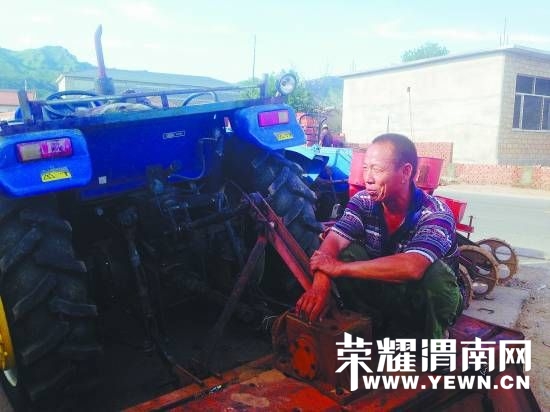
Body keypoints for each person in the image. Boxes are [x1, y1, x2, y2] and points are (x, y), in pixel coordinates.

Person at [296, 133, 463, 339]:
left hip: (425, 297)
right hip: (387, 287)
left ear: (406, 172)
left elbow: (412, 267)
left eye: (377, 169)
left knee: (434, 274)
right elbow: (334, 241)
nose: (368, 178)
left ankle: (434, 335)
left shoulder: (435, 213)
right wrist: (320, 285)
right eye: (366, 168)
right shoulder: (363, 201)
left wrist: (338, 268)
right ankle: (371, 325)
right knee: (348, 252)